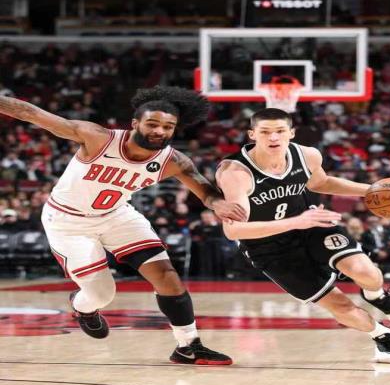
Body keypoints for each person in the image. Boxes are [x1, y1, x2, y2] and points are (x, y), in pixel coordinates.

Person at [0, 85, 247, 366]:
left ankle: (188, 346)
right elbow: (29, 112)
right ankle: (82, 307)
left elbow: (205, 191)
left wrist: (218, 204)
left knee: (166, 275)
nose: (160, 131)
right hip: (68, 221)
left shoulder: (174, 161)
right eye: (152, 124)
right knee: (102, 294)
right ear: (135, 123)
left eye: (168, 127)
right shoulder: (97, 138)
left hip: (117, 215)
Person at [215, 108, 390, 364]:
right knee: (340, 306)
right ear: (252, 134)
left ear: (291, 133)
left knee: (367, 273)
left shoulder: (307, 155)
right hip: (267, 247)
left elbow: (319, 183)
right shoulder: (236, 174)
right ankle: (382, 334)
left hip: (312, 227)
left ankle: (377, 296)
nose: (273, 137)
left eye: (279, 131)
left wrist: (372, 191)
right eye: (265, 132)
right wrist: (296, 222)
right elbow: (233, 230)